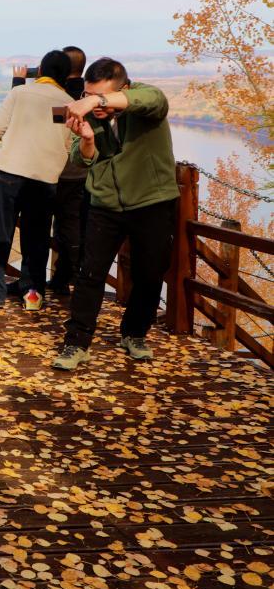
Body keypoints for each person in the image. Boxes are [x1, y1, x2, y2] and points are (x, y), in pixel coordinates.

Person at [52, 58, 178, 371]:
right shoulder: (89, 115)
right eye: (87, 94)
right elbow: (81, 160)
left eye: (101, 97)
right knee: (90, 273)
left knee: (150, 273)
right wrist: (88, 140)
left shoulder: (146, 100)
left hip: (152, 201)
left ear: (124, 88)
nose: (93, 103)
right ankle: (76, 342)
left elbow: (153, 100)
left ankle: (135, 333)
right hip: (104, 203)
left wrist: (97, 101)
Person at [0, 50, 75, 311]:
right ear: (66, 76)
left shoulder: (20, 93)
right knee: (37, 238)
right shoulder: (66, 103)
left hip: (10, 172)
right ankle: (32, 294)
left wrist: (15, 139)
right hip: (45, 178)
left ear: (40, 70)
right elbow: (65, 141)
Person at [14, 45, 90, 293]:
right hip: (79, 173)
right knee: (70, 227)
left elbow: (52, 131)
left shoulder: (60, 96)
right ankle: (66, 279)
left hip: (52, 171)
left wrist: (19, 83)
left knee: (38, 228)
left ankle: (34, 283)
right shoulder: (89, 95)